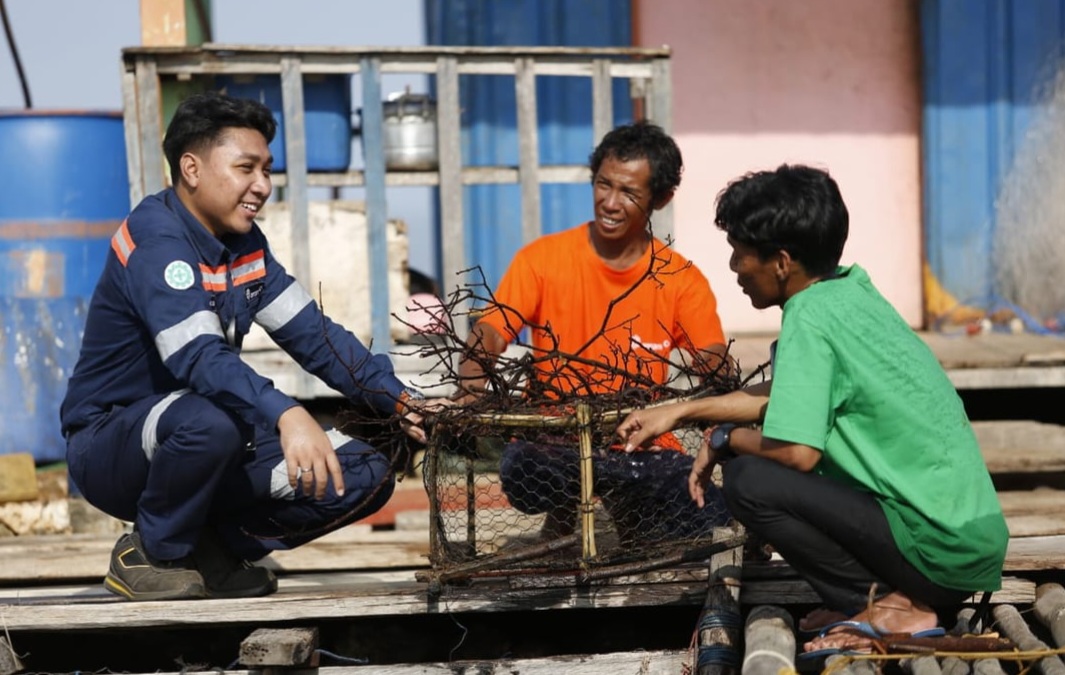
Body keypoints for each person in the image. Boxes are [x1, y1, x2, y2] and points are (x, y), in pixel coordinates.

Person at [60, 92, 446, 602]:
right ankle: (149, 552)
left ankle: (213, 551)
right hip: (113, 442)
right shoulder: (157, 239)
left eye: (266, 169)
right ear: (191, 168)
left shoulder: (244, 246)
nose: (262, 186)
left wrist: (399, 398)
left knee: (364, 472)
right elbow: (196, 355)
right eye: (246, 167)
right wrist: (287, 414)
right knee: (209, 422)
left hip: (205, 434)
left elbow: (317, 337)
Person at [615, 164, 1008, 653]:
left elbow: (798, 452)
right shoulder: (848, 290)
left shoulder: (809, 316)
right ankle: (888, 596)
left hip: (938, 552)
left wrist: (722, 440)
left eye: (740, 254)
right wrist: (681, 411)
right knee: (751, 454)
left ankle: (886, 603)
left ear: (781, 262)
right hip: (969, 543)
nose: (735, 268)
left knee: (748, 478)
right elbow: (790, 394)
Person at [457, 121, 734, 543]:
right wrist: (473, 376)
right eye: (603, 185)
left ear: (661, 198)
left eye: (629, 193)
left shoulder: (680, 278)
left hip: (637, 445)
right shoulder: (542, 259)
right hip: (554, 444)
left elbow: (710, 352)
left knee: (704, 511)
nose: (610, 202)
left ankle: (627, 523)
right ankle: (568, 518)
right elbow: (493, 329)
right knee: (524, 468)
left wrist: (719, 375)